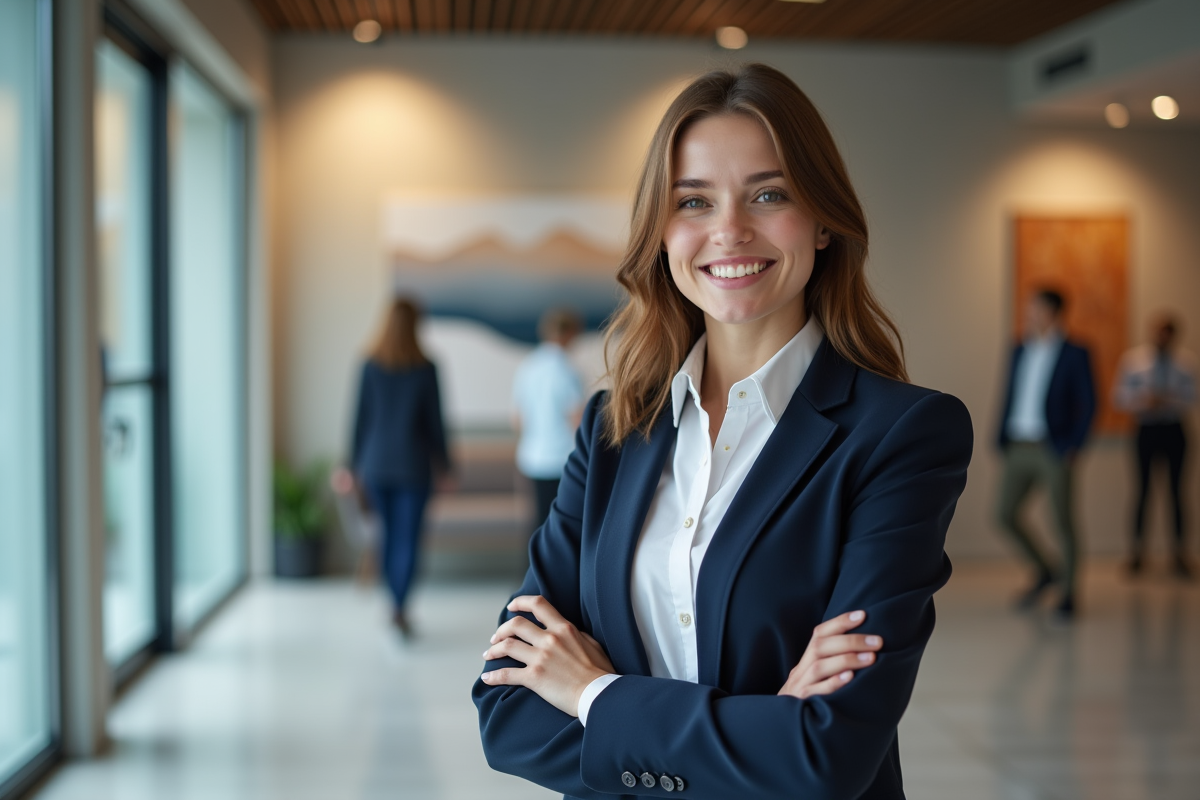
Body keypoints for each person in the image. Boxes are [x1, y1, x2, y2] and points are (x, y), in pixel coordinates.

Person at [472, 64, 972, 799]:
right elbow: (508, 716)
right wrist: (765, 728)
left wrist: (591, 694)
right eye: (693, 201)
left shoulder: (902, 435)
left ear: (824, 219)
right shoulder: (612, 430)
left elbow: (825, 758)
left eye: (769, 194)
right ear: (661, 232)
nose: (730, 230)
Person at [349, 296, 451, 635]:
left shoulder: (369, 365)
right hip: (413, 466)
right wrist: (446, 465)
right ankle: (399, 606)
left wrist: (350, 465)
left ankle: (394, 602)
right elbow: (436, 423)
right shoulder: (426, 368)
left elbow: (359, 420)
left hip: (375, 465)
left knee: (388, 537)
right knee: (408, 539)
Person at [995, 289, 1096, 619]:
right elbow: (1009, 393)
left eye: (1035, 308)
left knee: (1063, 521)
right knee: (1003, 514)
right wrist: (1000, 436)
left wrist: (1074, 445)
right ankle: (1046, 570)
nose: (1029, 314)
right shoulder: (1019, 348)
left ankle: (1069, 593)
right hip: (1018, 444)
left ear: (1053, 312)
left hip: (1053, 447)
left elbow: (1089, 402)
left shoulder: (1076, 352)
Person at [1114, 314, 1196, 578]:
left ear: (1174, 336)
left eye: (1167, 333)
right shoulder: (1134, 360)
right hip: (1146, 429)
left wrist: (1169, 399)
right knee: (1142, 492)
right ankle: (1137, 554)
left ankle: (1179, 554)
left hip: (1174, 429)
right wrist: (1143, 400)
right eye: (1158, 332)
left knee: (1177, 493)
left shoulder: (1186, 362)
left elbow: (1193, 397)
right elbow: (1119, 396)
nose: (1162, 337)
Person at [512, 308, 585, 533]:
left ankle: (531, 557)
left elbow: (518, 419)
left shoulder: (528, 366)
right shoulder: (566, 370)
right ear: (570, 333)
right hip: (561, 459)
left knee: (537, 522)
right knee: (560, 525)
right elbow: (577, 419)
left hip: (531, 458)